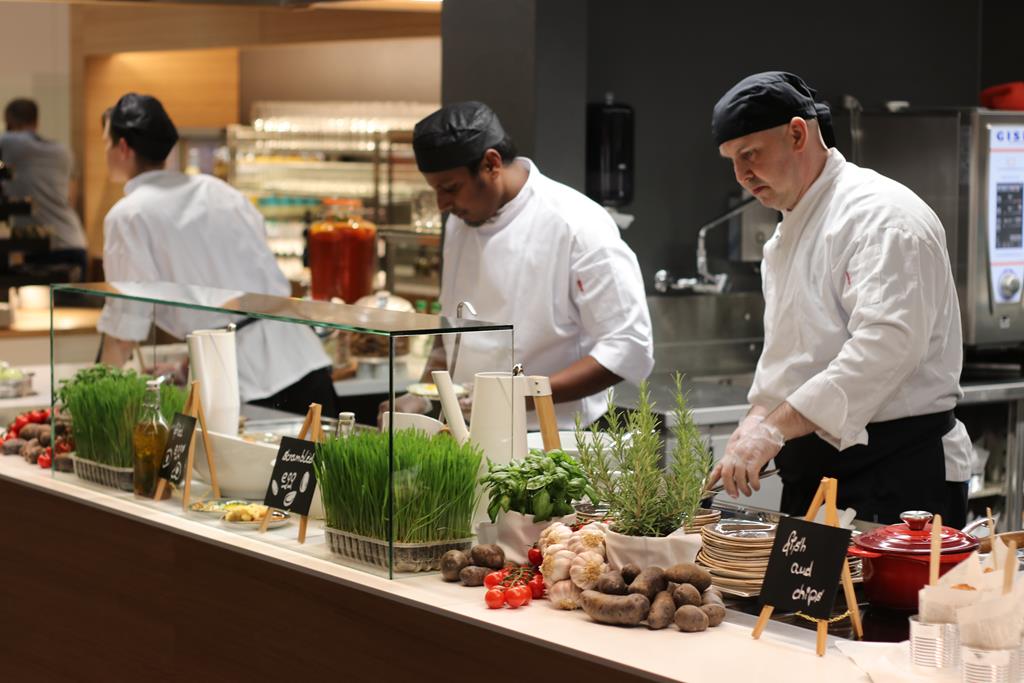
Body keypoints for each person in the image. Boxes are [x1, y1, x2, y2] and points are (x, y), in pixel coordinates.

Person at [706, 72, 972, 527]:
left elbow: (885, 348)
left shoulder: (882, 216)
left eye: (750, 154)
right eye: (732, 160)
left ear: (797, 134)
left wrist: (774, 428)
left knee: (886, 581)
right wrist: (756, 420)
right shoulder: (789, 231)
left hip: (896, 475)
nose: (742, 175)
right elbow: (791, 359)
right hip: (816, 474)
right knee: (805, 581)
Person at [392, 101, 654, 429]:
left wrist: (517, 396)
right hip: (466, 429)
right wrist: (422, 393)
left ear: (491, 163)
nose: (442, 204)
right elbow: (452, 329)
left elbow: (629, 346)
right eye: (435, 190)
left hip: (556, 436)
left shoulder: (577, 224)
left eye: (450, 188)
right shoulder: (461, 222)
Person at [96, 93, 336, 416]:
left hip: (248, 385)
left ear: (123, 148)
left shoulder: (128, 216)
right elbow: (233, 291)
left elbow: (123, 332)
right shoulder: (220, 191)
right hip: (306, 362)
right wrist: (187, 365)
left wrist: (94, 403)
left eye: (106, 143)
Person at [0, 98, 88, 280]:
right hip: (73, 241)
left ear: (9, 122)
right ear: (36, 122)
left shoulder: (10, 143)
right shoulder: (62, 151)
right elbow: (71, 197)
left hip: (45, 250)